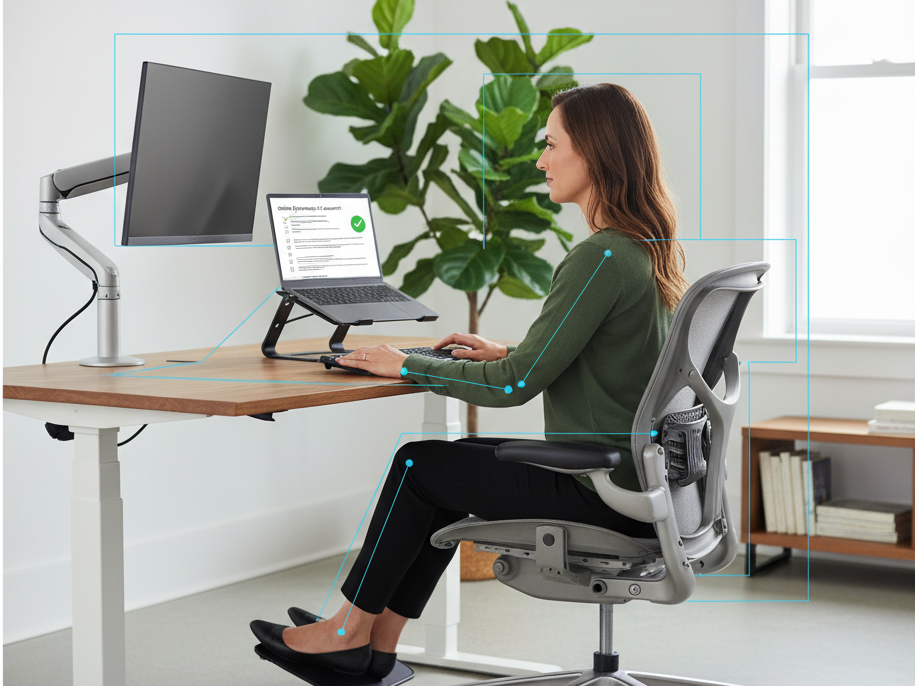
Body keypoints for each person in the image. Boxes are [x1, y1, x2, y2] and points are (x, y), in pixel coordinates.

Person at [250, 83, 689, 678]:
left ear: (595, 153)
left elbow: (514, 388)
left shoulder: (602, 256)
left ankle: (346, 632)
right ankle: (378, 647)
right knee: (442, 470)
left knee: (418, 465)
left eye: (551, 144)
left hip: (600, 485)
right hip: (634, 477)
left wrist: (406, 364)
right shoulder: (646, 249)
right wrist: (504, 349)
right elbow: (613, 355)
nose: (540, 160)